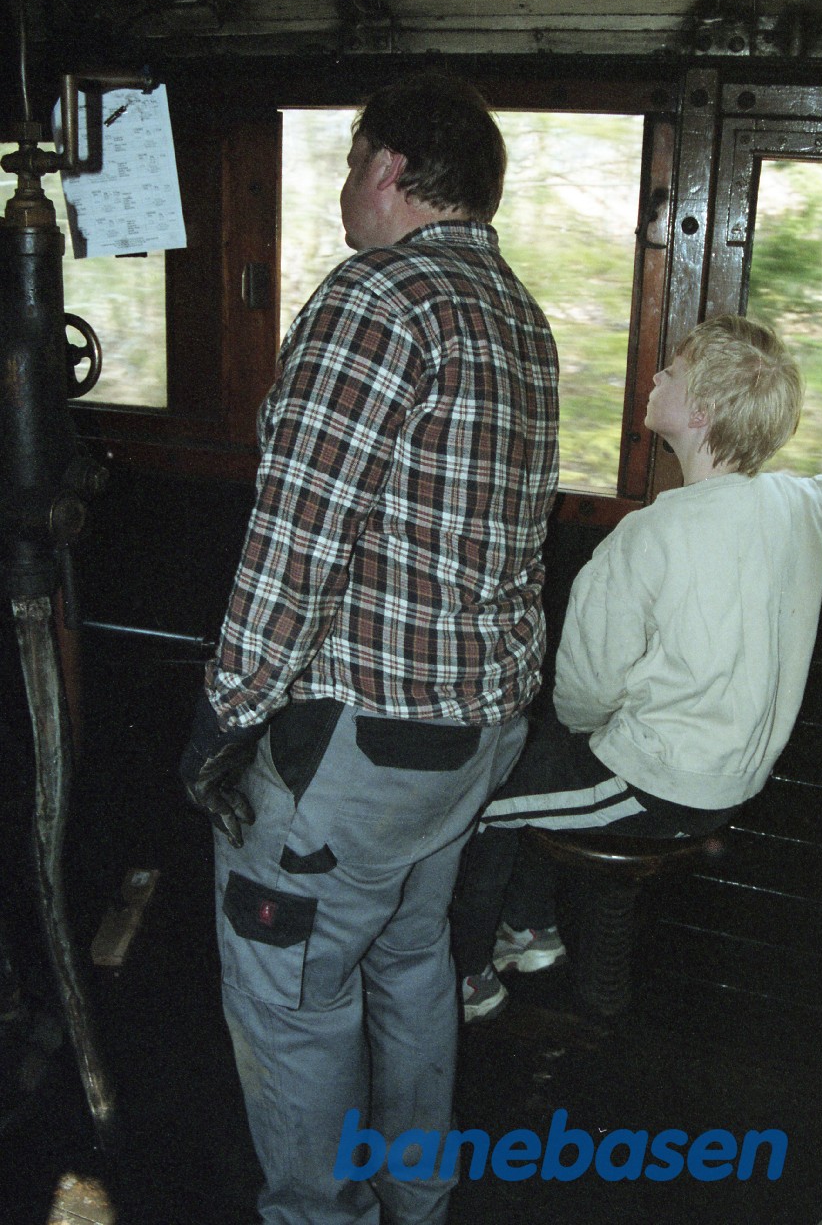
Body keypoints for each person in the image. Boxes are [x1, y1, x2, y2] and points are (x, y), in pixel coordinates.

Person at [179, 73, 560, 1225]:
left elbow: (296, 538)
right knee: (406, 964)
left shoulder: (377, 297)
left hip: (360, 748)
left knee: (293, 996)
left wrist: (224, 715)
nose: (346, 187)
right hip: (474, 734)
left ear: (391, 167)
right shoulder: (520, 316)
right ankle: (419, 1194)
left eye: (351, 162)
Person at [454, 313, 822, 1021]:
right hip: (733, 775)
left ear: (701, 409)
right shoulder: (802, 506)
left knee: (474, 805)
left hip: (659, 782)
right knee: (533, 767)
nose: (655, 376)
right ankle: (531, 930)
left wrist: (589, 735)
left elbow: (584, 694)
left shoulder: (647, 536)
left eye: (674, 370)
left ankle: (470, 973)